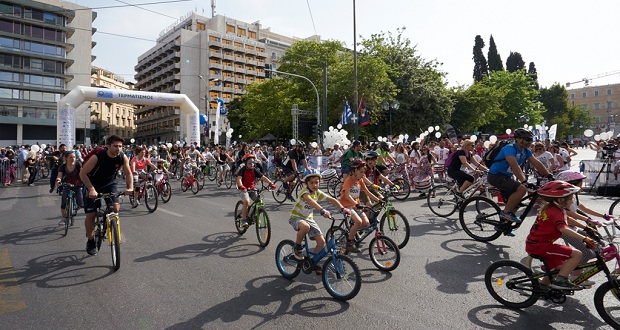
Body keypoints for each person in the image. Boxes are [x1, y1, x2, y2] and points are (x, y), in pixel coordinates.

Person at [525, 180, 597, 290]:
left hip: (537, 243)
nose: (573, 200)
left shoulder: (554, 208)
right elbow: (563, 228)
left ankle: (542, 287)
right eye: (571, 198)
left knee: (560, 268)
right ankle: (560, 281)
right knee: (577, 254)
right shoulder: (555, 211)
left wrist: (586, 227)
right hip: (540, 246)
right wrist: (585, 238)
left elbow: (568, 219)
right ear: (561, 199)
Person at [487, 128, 554, 228]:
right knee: (522, 189)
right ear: (518, 139)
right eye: (527, 139)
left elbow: (536, 163)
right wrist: (524, 181)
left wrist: (549, 175)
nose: (530, 142)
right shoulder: (509, 148)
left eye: (531, 140)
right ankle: (505, 213)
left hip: (506, 176)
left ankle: (505, 226)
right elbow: (514, 166)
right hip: (495, 175)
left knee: (517, 203)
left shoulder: (525, 151)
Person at [80, 135, 133, 256]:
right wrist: (91, 189)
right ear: (108, 146)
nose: (118, 148)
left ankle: (108, 222)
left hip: (109, 183)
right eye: (115, 146)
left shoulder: (122, 157)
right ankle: (91, 240)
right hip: (92, 183)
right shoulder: (97, 157)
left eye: (120, 146)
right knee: (91, 214)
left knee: (115, 208)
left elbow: (128, 173)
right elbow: (82, 173)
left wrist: (130, 188)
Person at [289, 168, 353, 267]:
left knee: (321, 242)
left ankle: (313, 262)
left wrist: (343, 208)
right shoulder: (304, 192)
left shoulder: (317, 192)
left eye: (317, 182)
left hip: (308, 218)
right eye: (312, 183)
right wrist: (322, 210)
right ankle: (297, 247)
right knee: (305, 227)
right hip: (296, 217)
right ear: (306, 183)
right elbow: (310, 201)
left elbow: (331, 199)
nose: (315, 185)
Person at [340, 159, 382, 252]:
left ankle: (352, 231)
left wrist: (378, 200)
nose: (363, 174)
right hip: (346, 205)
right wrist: (355, 204)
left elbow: (367, 192)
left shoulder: (360, 180)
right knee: (358, 222)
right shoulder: (348, 181)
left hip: (356, 205)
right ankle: (349, 243)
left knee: (366, 223)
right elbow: (347, 195)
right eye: (361, 172)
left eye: (364, 172)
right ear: (354, 171)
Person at [235, 154, 276, 227]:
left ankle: (251, 216)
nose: (252, 164)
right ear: (245, 163)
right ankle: (243, 220)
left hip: (252, 188)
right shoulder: (243, 170)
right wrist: (241, 186)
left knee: (258, 201)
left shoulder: (254, 170)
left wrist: (270, 183)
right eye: (249, 163)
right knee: (247, 201)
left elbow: (263, 177)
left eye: (253, 162)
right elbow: (239, 179)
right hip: (243, 189)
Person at [55, 152, 84, 225]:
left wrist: (83, 180)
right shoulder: (63, 166)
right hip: (67, 185)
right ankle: (64, 218)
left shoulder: (78, 165)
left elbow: (82, 174)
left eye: (74, 157)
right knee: (64, 203)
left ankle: (76, 206)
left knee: (81, 203)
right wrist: (58, 181)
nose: (73, 159)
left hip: (77, 185)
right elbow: (59, 176)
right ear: (66, 158)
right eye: (70, 157)